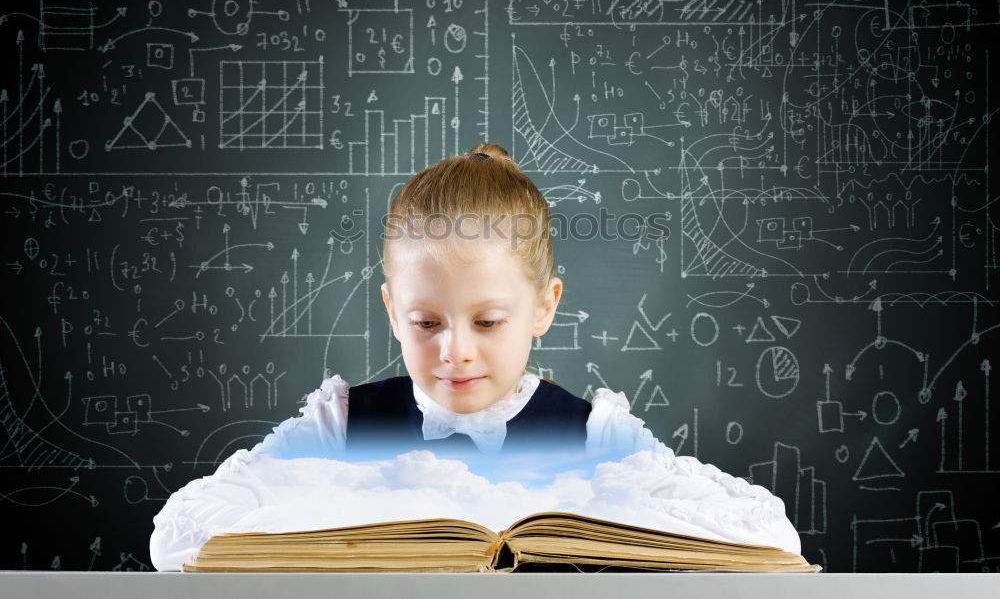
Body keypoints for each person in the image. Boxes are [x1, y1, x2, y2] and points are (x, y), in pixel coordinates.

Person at [149, 143, 801, 571]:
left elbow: (772, 540)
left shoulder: (596, 434)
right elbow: (177, 537)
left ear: (545, 307)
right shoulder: (338, 425)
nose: (454, 351)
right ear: (390, 309)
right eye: (425, 322)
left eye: (488, 321)